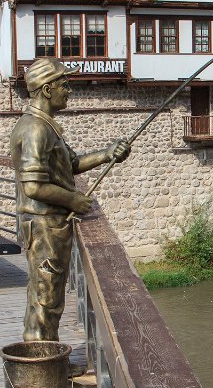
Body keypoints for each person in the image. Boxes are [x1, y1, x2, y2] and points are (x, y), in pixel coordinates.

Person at [10, 57, 130, 342]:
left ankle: (49, 360)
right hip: (43, 226)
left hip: (49, 225)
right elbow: (34, 187)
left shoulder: (45, 125)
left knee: (48, 294)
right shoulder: (35, 129)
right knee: (46, 298)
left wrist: (107, 154)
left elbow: (71, 164)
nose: (69, 90)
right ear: (48, 89)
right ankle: (43, 369)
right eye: (64, 84)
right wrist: (73, 200)